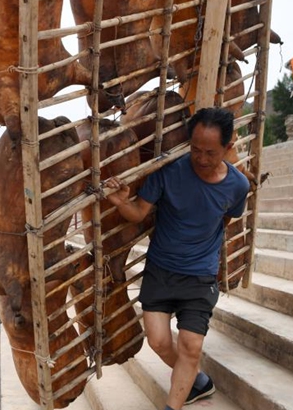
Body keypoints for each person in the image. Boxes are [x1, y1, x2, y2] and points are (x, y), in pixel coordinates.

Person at [104, 107, 249, 409]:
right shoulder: (169, 172)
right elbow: (138, 213)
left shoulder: (238, 186)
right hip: (161, 270)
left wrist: (203, 249)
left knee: (190, 346)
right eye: (195, 149)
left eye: (210, 152)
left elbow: (227, 219)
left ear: (227, 147)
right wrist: (120, 201)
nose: (201, 158)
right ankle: (195, 382)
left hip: (200, 277)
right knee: (157, 341)